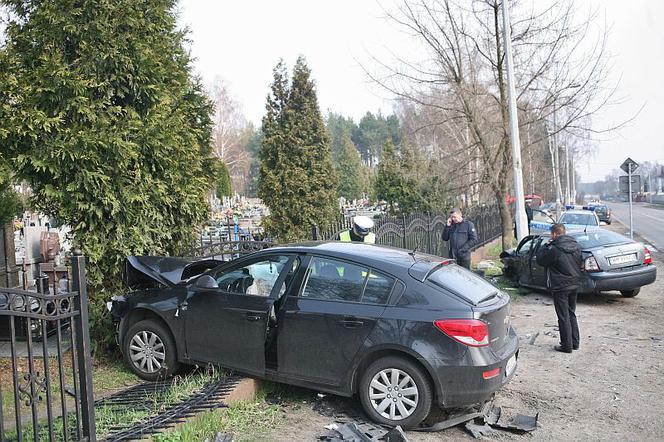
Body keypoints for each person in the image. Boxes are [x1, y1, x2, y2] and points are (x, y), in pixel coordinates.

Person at [536, 223, 583, 353]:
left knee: (563, 316)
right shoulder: (576, 246)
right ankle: (575, 343)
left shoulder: (555, 249)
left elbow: (540, 260)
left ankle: (566, 346)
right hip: (574, 284)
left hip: (561, 286)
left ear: (554, 234)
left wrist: (545, 245)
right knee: (571, 313)